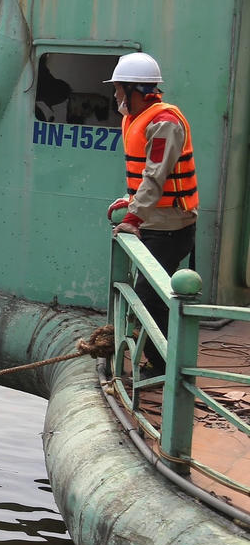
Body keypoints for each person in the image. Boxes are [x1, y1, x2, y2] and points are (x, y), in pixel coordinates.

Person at [104, 52, 199, 374]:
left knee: (148, 295)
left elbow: (156, 174)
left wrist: (133, 217)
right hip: (154, 221)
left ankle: (168, 367)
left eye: (119, 90)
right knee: (149, 294)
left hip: (170, 226)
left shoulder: (164, 123)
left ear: (136, 91)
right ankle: (164, 361)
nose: (115, 96)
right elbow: (143, 176)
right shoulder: (136, 117)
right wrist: (129, 203)